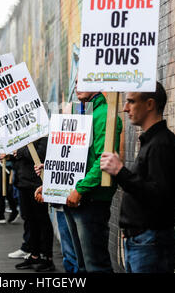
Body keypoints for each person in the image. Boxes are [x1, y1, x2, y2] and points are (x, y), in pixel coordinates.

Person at [100, 82, 175, 273]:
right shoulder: (154, 142)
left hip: (150, 243)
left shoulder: (161, 145)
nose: (125, 108)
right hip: (144, 242)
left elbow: (160, 197)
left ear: (150, 104)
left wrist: (120, 171)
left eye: (131, 101)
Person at [35, 90, 122, 273]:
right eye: (75, 82)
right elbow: (69, 159)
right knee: (81, 265)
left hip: (91, 200)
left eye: (83, 81)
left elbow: (103, 159)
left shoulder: (105, 114)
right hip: (74, 198)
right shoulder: (81, 114)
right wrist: (51, 184)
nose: (76, 87)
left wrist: (80, 189)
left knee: (95, 265)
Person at [13, 137, 55, 272]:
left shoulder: (43, 135)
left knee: (42, 220)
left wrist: (19, 152)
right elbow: (20, 156)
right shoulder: (24, 136)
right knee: (30, 220)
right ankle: (35, 254)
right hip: (23, 182)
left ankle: (47, 257)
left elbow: (40, 154)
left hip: (36, 183)